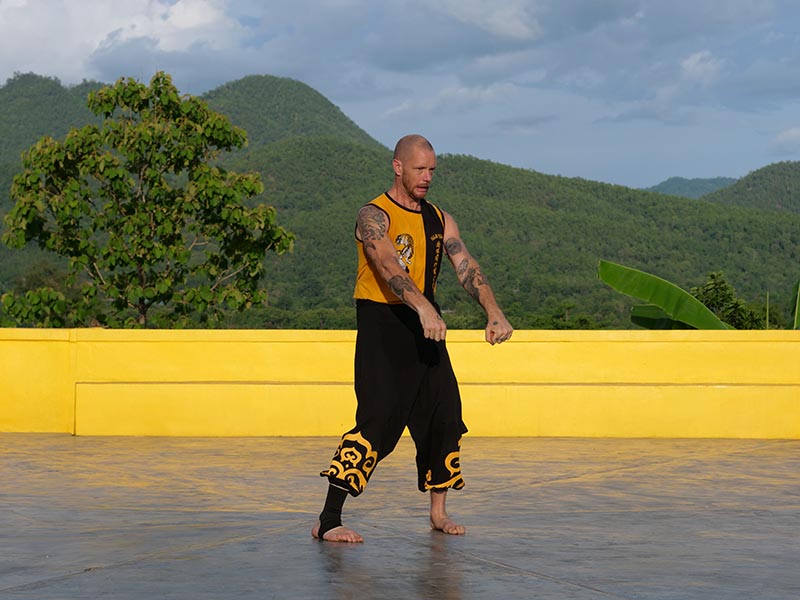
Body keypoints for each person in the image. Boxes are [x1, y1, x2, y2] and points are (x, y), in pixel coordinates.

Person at [312, 134, 513, 543]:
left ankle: (438, 512)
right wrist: (422, 307)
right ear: (398, 166)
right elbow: (386, 263)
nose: (427, 177)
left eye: (432, 170)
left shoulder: (440, 218)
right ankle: (328, 519)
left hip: (427, 325)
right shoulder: (373, 214)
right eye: (420, 169)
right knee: (378, 420)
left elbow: (465, 266)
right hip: (383, 325)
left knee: (444, 413)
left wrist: (493, 311)